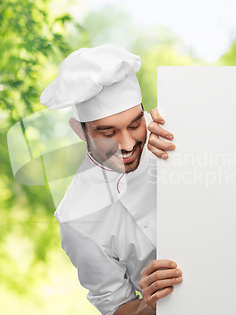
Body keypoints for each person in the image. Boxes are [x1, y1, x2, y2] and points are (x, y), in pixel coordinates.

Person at [40, 43, 180, 315]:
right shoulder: (76, 217)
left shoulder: (171, 134)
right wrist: (148, 304)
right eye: (107, 133)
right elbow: (117, 306)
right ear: (80, 131)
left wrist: (189, 151)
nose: (127, 144)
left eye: (135, 124)